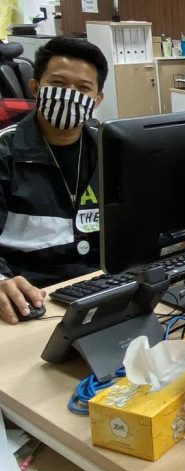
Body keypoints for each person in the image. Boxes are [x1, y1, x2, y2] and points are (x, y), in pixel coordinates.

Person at [0, 36, 107, 325]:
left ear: (97, 99)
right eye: (58, 84)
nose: (70, 95)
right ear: (36, 88)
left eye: (83, 88)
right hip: (32, 298)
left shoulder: (110, 150)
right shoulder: (5, 152)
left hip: (101, 289)